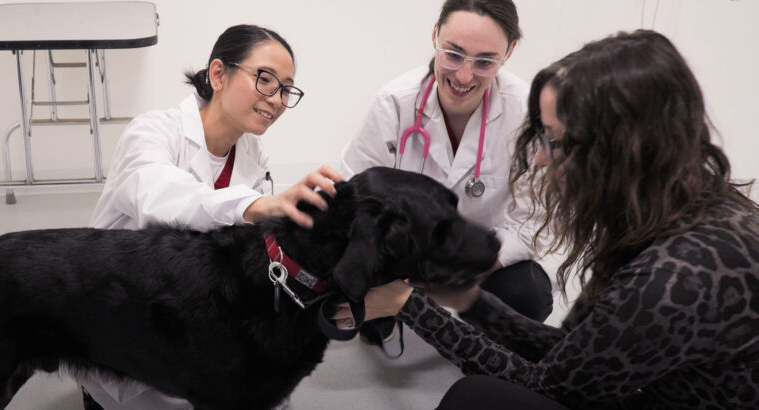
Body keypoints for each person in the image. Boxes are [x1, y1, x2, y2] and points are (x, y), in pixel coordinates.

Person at [338, 30, 759, 409]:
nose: (539, 158)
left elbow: (549, 386)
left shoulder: (675, 279)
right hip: (655, 390)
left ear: (621, 151)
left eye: (555, 143)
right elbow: (572, 355)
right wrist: (468, 299)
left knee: (478, 399)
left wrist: (412, 306)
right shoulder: (681, 212)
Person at [83, 24, 341, 410]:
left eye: (287, 89)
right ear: (218, 74)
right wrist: (251, 207)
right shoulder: (153, 131)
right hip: (125, 306)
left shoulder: (253, 154)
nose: (277, 99)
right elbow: (159, 197)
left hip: (188, 306)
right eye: (265, 80)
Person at [340, 0, 552, 346]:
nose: (464, 76)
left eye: (484, 62)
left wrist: (469, 270)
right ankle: (393, 312)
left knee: (527, 294)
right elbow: (353, 196)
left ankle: (467, 329)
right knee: (358, 306)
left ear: (510, 51)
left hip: (480, 258)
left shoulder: (527, 113)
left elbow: (532, 221)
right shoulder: (394, 104)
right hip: (403, 257)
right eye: (453, 54)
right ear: (435, 35)